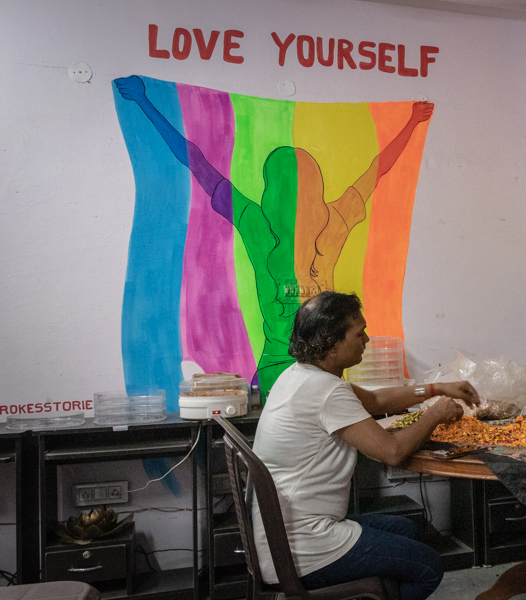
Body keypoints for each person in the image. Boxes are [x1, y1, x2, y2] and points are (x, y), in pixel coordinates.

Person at [115, 75, 434, 399]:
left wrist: (145, 103)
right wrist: (410, 123)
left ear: (269, 190)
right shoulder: (324, 222)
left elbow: (199, 164)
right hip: (301, 373)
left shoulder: (259, 223)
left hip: (302, 373)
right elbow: (375, 171)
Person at [251, 291, 480, 600]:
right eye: (359, 334)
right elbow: (393, 452)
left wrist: (436, 388)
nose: (368, 340)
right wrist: (435, 414)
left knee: (407, 530)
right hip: (304, 547)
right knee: (428, 567)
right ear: (332, 344)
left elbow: (375, 401)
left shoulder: (299, 376)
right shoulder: (325, 390)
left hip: (282, 535)